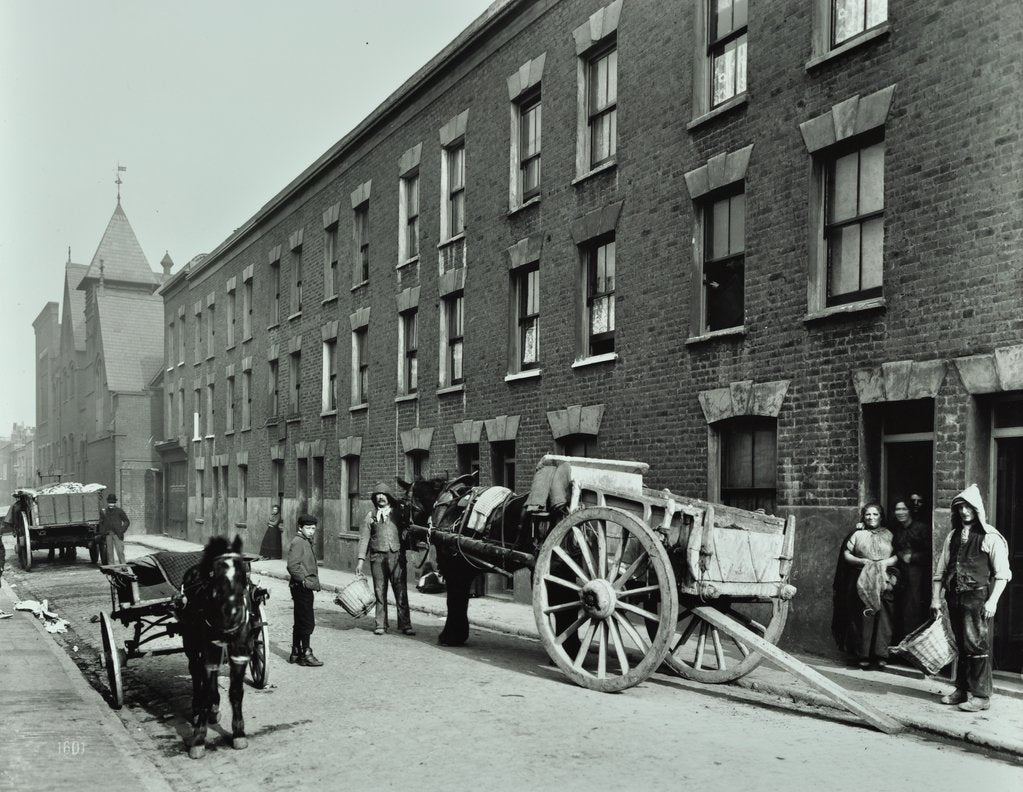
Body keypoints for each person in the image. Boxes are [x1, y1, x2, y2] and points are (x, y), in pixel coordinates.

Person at [931, 484, 1011, 712]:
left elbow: (1003, 574)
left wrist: (992, 601)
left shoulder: (990, 537)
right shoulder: (953, 535)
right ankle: (962, 690)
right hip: (954, 597)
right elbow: (941, 570)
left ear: (978, 509)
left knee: (976, 645)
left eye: (969, 507)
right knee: (961, 645)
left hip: (976, 597)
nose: (964, 511)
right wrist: (936, 599)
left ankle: (981, 695)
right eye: (960, 507)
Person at [832, 503, 898, 669]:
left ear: (881, 516)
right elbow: (846, 554)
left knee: (883, 617)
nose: (871, 517)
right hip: (861, 578)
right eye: (868, 514)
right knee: (863, 617)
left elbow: (898, 554)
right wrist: (861, 561)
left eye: (875, 514)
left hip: (884, 578)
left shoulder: (889, 534)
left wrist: (885, 563)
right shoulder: (857, 534)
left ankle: (881, 654)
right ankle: (863, 655)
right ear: (863, 516)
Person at [356, 482, 414, 637]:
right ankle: (381, 624)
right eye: (377, 495)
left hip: (396, 557)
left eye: (383, 495)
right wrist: (360, 561)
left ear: (389, 497)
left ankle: (405, 624)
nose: (380, 498)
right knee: (379, 591)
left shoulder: (398, 514)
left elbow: (410, 526)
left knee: (400, 590)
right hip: (377, 558)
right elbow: (364, 539)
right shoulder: (371, 516)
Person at [890, 498, 932, 643]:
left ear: (910, 511)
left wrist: (912, 557)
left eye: (903, 509)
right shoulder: (897, 529)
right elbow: (895, 549)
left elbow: (930, 553)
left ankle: (912, 647)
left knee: (913, 609)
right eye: (897, 509)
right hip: (901, 573)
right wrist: (901, 556)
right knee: (899, 608)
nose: (900, 512)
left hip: (918, 574)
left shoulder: (922, 528)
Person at [286, 514, 323, 667]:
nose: (311, 531)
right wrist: (304, 580)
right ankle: (306, 653)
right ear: (300, 528)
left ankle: (295, 652)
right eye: (308, 528)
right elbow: (292, 566)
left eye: (313, 528)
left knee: (300, 619)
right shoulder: (298, 542)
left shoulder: (305, 541)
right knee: (307, 621)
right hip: (301, 587)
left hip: (301, 587)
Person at [98, 494, 130, 564]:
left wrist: (122, 530)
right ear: (108, 502)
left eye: (112, 502)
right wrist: (103, 533)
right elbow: (101, 523)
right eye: (110, 502)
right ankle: (111, 567)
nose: (111, 504)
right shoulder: (104, 511)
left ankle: (123, 566)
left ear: (115, 503)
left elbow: (126, 521)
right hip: (108, 535)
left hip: (118, 534)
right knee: (109, 553)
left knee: (120, 551)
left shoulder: (119, 511)